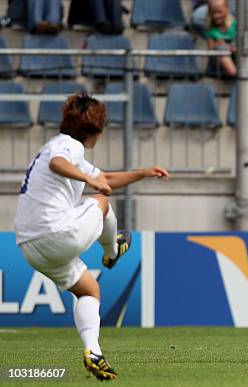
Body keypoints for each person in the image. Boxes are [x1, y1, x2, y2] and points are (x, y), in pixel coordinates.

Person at [14, 92, 169, 380]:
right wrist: (88, 180)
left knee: (89, 291)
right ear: (95, 130)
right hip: (56, 232)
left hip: (29, 245)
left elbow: (106, 178)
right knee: (100, 202)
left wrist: (144, 173)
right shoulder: (66, 148)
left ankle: (93, 351)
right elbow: (58, 164)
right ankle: (112, 252)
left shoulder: (60, 147)